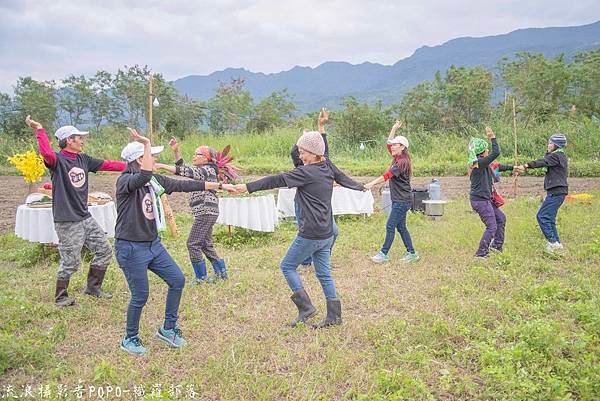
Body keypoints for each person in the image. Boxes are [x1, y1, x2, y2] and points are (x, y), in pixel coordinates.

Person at [115, 129, 233, 356]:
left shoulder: (154, 181)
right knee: (140, 295)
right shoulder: (126, 181)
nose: (156, 160)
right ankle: (130, 338)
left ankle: (168, 329)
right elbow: (142, 176)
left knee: (177, 280)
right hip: (130, 247)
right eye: (151, 156)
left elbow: (185, 185)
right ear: (140, 159)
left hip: (153, 245)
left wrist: (220, 186)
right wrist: (147, 142)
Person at [233, 131, 365, 328]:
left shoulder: (306, 172)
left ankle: (306, 308)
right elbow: (343, 177)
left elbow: (275, 180)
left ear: (313, 153)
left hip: (310, 233)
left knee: (287, 266)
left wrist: (247, 187)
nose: (300, 156)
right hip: (327, 231)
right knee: (324, 274)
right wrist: (359, 186)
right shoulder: (326, 164)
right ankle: (334, 316)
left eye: (303, 152)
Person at [25, 115, 127, 307]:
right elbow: (46, 153)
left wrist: (133, 167)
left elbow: (107, 164)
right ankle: (61, 296)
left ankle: (93, 288)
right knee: (71, 261)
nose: (82, 140)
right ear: (69, 140)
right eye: (79, 137)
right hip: (67, 219)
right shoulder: (57, 160)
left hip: (84, 216)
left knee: (104, 250)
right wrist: (39, 129)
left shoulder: (83, 159)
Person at [156, 137, 227, 284]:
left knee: (192, 243)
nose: (194, 156)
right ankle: (222, 273)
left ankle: (201, 278)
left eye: (197, 154)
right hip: (207, 212)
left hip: (205, 211)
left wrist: (161, 165)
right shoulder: (204, 170)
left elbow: (186, 171)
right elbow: (185, 169)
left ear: (206, 158)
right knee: (206, 244)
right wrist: (176, 152)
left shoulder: (207, 170)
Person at [289, 108, 338, 268]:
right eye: (302, 151)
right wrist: (304, 138)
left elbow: (324, 150)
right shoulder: (302, 165)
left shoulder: (321, 161)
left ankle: (321, 259)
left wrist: (320, 127)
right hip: (304, 205)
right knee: (306, 234)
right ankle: (305, 262)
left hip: (321, 205)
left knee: (333, 231)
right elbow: (295, 151)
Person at [366, 120, 419, 263]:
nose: (392, 146)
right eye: (393, 144)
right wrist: (394, 129)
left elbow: (387, 176)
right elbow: (388, 144)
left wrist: (371, 183)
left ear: (402, 147)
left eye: (396, 144)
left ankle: (383, 254)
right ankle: (412, 253)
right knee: (401, 227)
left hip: (402, 200)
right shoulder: (398, 157)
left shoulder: (401, 162)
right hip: (401, 199)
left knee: (390, 225)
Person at [514, 134, 569, 253]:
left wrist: (525, 166)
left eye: (550, 143)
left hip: (556, 191)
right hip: (557, 191)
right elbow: (546, 159)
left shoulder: (556, 156)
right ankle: (557, 244)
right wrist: (549, 151)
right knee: (550, 219)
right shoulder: (558, 155)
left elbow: (543, 161)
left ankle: (553, 243)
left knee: (542, 216)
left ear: (556, 145)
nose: (548, 145)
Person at [467, 127, 514, 258]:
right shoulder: (478, 164)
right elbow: (496, 153)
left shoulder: (482, 164)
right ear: (482, 153)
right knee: (491, 226)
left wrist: (513, 168)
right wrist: (493, 137)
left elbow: (497, 166)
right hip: (480, 201)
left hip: (485, 200)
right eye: (486, 149)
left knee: (501, 219)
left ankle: (496, 247)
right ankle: (481, 253)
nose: (488, 151)